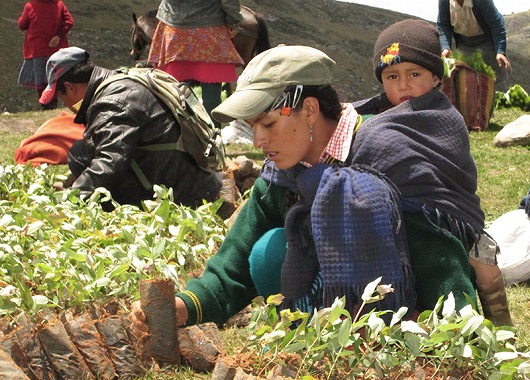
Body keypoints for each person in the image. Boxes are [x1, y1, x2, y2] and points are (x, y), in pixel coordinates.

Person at [129, 21, 511, 333]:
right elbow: (233, 262)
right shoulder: (283, 174)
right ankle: (323, 326)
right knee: (267, 254)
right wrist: (183, 306)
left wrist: (457, 330)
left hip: (407, 313)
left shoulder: (385, 153)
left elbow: (437, 254)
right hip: (333, 313)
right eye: (252, 126)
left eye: (266, 123)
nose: (258, 140)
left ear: (309, 110)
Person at [38, 47, 223, 212]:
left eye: (62, 98)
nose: (66, 105)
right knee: (81, 152)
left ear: (70, 87)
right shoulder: (122, 79)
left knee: (82, 158)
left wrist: (69, 202)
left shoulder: (113, 102)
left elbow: (109, 162)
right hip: (192, 176)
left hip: (182, 193)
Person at [147, 0, 245, 127]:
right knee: (211, 97)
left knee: (175, 93)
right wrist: (233, 21)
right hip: (210, 30)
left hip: (175, 29)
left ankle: (178, 135)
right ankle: (212, 136)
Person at [437, 0, 511, 86]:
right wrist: (446, 47)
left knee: (494, 80)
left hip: (486, 43)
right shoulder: (445, 2)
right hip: (464, 44)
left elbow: (496, 25)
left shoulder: (482, 2)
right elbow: (443, 25)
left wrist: (500, 51)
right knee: (467, 83)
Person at [17, 0, 74, 110]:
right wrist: (58, 36)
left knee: (41, 80)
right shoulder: (59, 4)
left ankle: (46, 106)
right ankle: (53, 105)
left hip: (38, 49)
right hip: (56, 50)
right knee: (54, 78)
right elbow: (69, 22)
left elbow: (22, 25)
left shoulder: (31, 6)